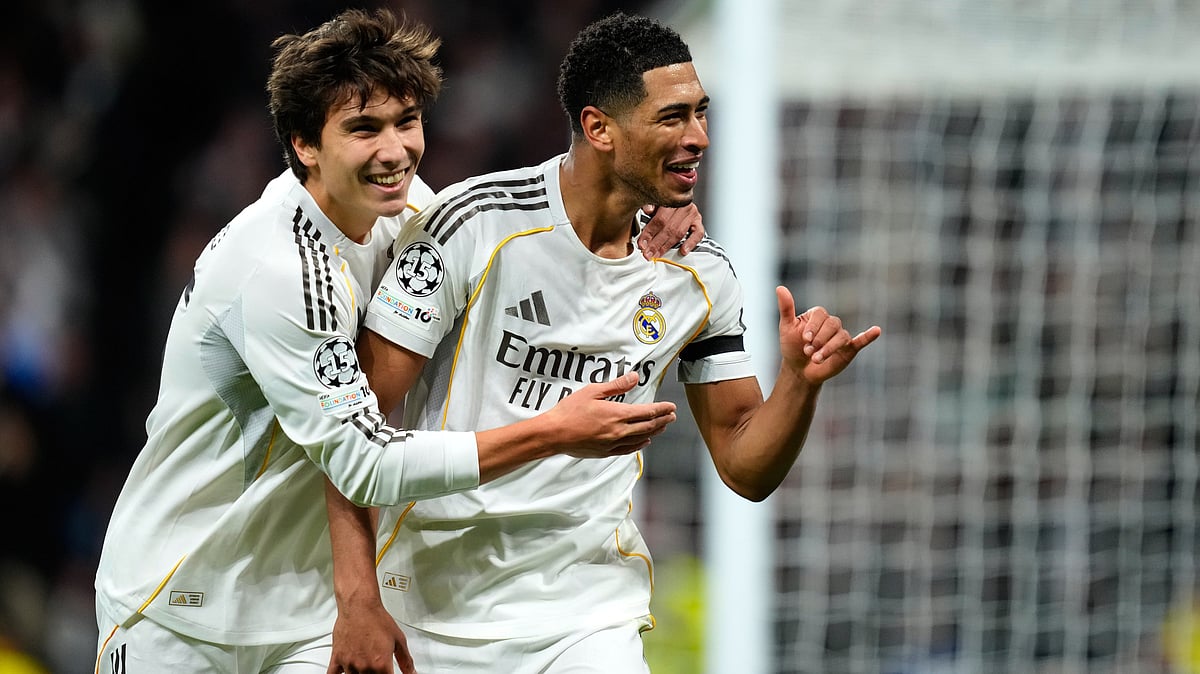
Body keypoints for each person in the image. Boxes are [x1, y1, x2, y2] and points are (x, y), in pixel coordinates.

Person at [92, 9, 702, 674]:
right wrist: (555, 431)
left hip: (303, 613)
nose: (394, 150)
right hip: (180, 607)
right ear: (304, 144)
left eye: (405, 122)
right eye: (363, 128)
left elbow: (523, 229)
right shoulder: (281, 268)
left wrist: (639, 201)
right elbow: (366, 463)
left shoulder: (409, 217)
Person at [329, 10, 882, 673]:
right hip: (435, 608)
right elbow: (348, 430)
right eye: (673, 117)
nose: (700, 136)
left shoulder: (701, 275)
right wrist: (356, 597)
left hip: (588, 612)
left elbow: (744, 464)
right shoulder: (474, 227)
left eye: (702, 113)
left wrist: (798, 382)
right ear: (599, 129)